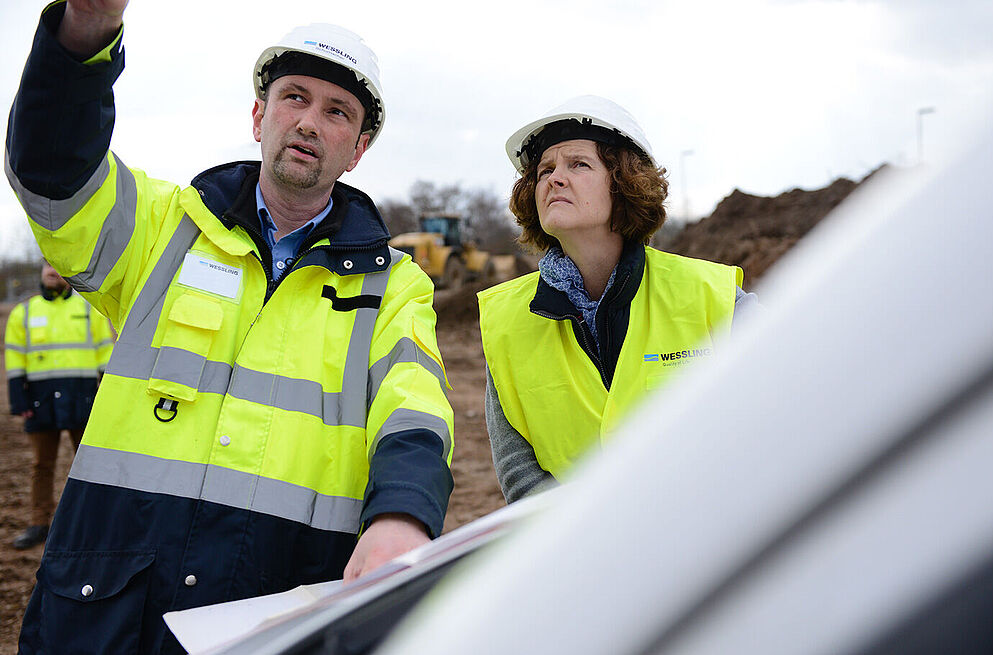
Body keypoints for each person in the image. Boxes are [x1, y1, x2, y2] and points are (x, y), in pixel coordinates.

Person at [5, 1, 454, 652]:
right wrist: (86, 30)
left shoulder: (394, 285)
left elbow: (414, 412)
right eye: (293, 97)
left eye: (337, 111)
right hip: (105, 609)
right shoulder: (160, 230)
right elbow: (51, 171)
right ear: (258, 116)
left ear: (356, 150)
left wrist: (401, 516)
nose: (308, 121)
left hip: (274, 609)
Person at [479, 96, 757, 503]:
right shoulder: (505, 320)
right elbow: (521, 475)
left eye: (578, 164)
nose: (555, 178)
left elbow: (784, 405)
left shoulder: (711, 297)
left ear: (624, 182)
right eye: (544, 170)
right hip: (582, 554)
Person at [4, 261, 112, 550]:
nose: (52, 270)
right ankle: (39, 524)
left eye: (58, 265)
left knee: (90, 466)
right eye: (47, 265)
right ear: (41, 272)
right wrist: (19, 400)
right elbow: (15, 360)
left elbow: (106, 353)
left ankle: (94, 524)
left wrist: (112, 395)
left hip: (84, 398)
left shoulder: (91, 310)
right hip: (40, 402)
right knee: (42, 466)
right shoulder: (23, 313)